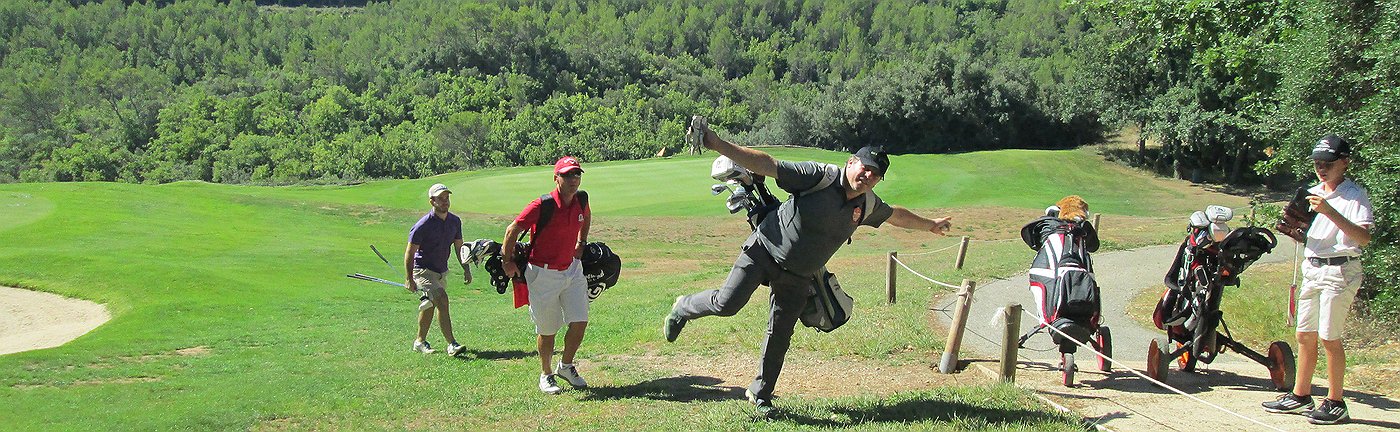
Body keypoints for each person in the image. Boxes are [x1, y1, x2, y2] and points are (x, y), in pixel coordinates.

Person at [664, 117, 953, 414]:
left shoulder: (866, 204)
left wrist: (930, 225)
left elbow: (895, 215)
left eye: (875, 173)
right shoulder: (819, 176)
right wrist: (716, 143)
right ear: (851, 162)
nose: (867, 174)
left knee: (780, 334)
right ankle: (683, 307)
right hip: (765, 249)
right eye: (864, 166)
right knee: (727, 303)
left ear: (878, 180)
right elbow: (769, 165)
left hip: (800, 276)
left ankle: (760, 394)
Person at [1261, 134, 1373, 425]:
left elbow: (1363, 238)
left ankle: (1336, 401)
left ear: (1344, 163)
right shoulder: (1311, 192)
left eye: (1328, 163)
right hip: (1313, 268)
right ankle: (1300, 395)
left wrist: (1329, 211)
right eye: (1317, 163)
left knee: (1329, 337)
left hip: (1340, 270)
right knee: (1304, 334)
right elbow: (1308, 231)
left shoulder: (1353, 196)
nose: (1321, 168)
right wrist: (1297, 229)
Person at [503, 156, 593, 395]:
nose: (573, 179)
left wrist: (581, 243)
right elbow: (512, 229)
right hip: (542, 273)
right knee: (548, 328)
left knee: (580, 320)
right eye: (567, 175)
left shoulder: (581, 199)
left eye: (576, 174)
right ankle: (546, 374)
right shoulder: (542, 205)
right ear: (556, 178)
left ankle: (566, 365)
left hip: (571, 270)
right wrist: (507, 261)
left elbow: (586, 218)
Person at [405, 183, 471, 357]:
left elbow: (459, 247)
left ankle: (419, 342)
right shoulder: (423, 225)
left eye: (446, 198)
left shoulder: (455, 221)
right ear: (432, 201)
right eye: (440, 198)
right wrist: (409, 279)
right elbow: (410, 252)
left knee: (429, 305)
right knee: (442, 299)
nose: (445, 202)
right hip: (422, 271)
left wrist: (466, 268)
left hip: (441, 272)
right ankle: (452, 344)